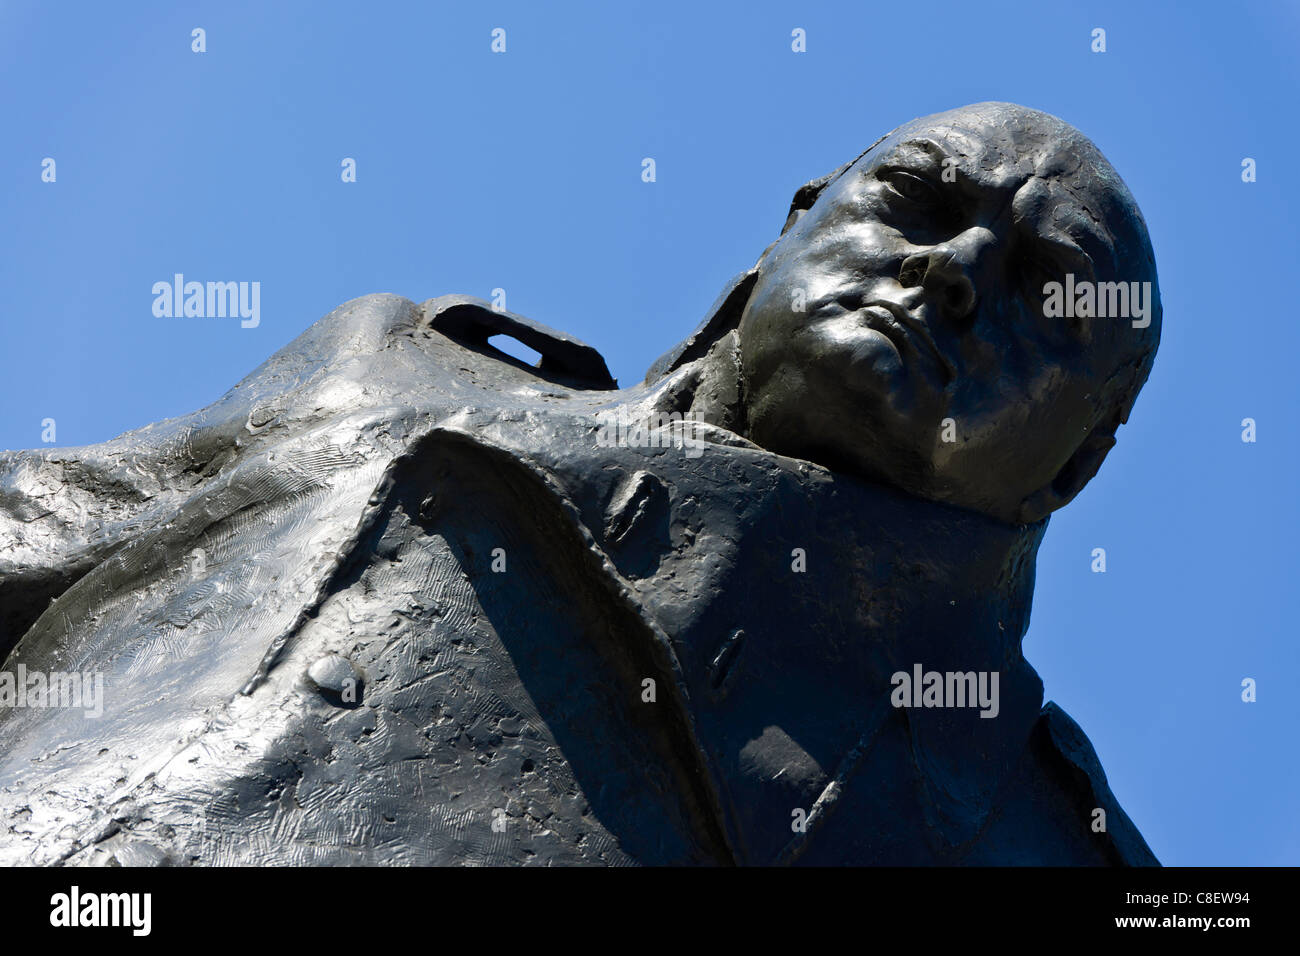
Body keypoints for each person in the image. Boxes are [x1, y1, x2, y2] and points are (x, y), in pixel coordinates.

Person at [0, 103, 1160, 865]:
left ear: (1076, 463)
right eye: (920, 198)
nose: (954, 271)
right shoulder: (389, 367)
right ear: (791, 225)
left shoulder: (1038, 840)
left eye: (1046, 291)